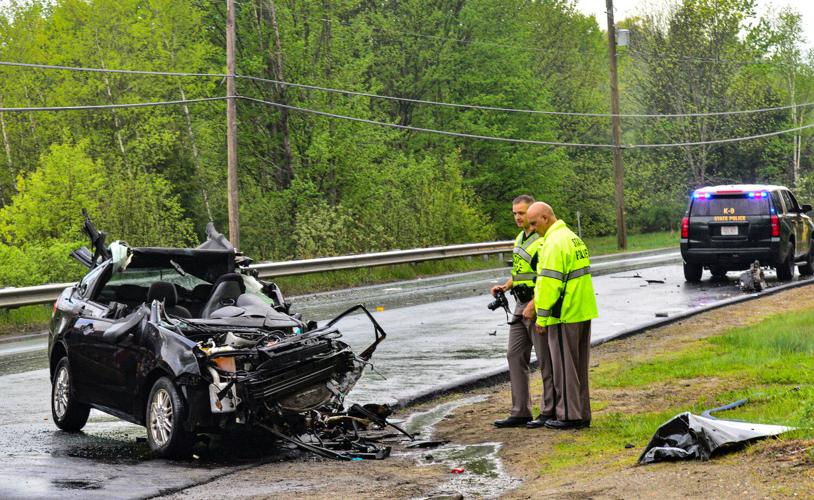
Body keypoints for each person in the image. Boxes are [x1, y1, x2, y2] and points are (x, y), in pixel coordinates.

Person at [525, 202, 597, 430]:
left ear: (546, 218)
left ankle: (569, 416)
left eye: (535, 223)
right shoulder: (572, 237)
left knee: (564, 368)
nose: (533, 228)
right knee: (578, 368)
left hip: (564, 313)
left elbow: (549, 284)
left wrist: (542, 317)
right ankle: (581, 414)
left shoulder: (553, 243)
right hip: (582, 310)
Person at [491, 195, 555, 429]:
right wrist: (507, 285)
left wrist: (535, 304)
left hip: (534, 304)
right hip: (519, 303)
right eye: (515, 213)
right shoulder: (521, 237)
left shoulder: (542, 240)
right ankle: (520, 411)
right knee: (514, 355)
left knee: (545, 359)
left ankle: (549, 411)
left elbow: (546, 277)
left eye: (522, 213)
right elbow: (522, 271)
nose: (518, 217)